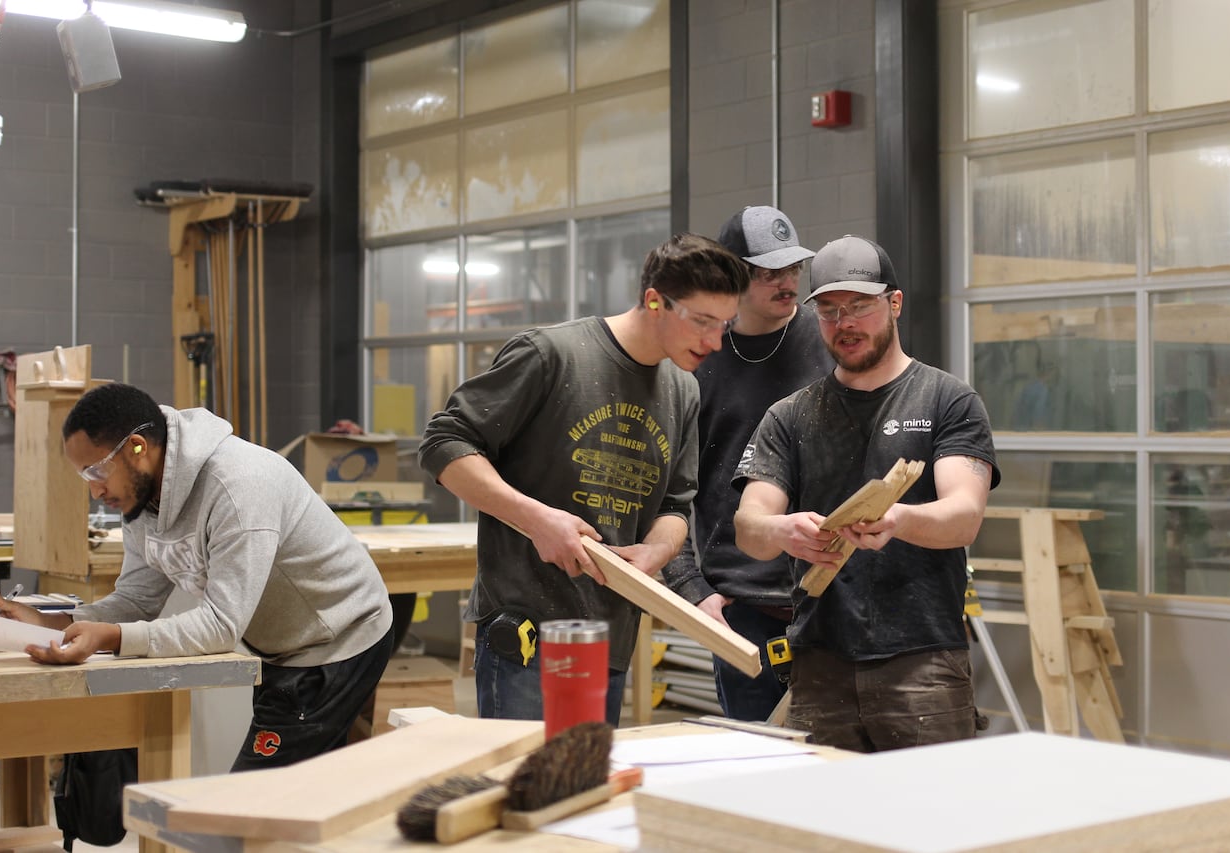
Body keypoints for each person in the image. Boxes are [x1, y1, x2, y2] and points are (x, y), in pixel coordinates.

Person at [419, 233, 749, 726]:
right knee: (525, 789)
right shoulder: (551, 354)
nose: (714, 342)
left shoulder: (682, 390)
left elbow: (676, 507)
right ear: (655, 300)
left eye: (724, 325)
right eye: (702, 322)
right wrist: (536, 520)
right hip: (526, 634)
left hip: (610, 636)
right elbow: (444, 445)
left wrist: (654, 553)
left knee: (585, 790)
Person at [0, 382, 395, 771]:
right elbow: (135, 600)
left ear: (137, 447)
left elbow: (220, 625)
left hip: (338, 639)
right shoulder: (142, 498)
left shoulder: (238, 486)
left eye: (97, 472)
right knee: (302, 795)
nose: (95, 492)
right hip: (282, 644)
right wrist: (53, 624)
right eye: (85, 477)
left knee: (255, 809)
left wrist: (113, 638)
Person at [733, 235, 999, 752]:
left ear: (894, 304)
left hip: (923, 664)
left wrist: (898, 520)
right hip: (819, 665)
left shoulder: (948, 400)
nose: (844, 324)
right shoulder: (790, 417)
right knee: (824, 825)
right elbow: (749, 527)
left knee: (931, 822)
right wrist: (781, 530)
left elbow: (964, 515)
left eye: (859, 307)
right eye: (829, 311)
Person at [664, 205, 834, 722]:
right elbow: (665, 488)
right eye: (768, 273)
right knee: (757, 767)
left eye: (793, 269)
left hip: (837, 591)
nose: (787, 284)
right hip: (745, 606)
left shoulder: (831, 339)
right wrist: (693, 590)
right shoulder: (697, 358)